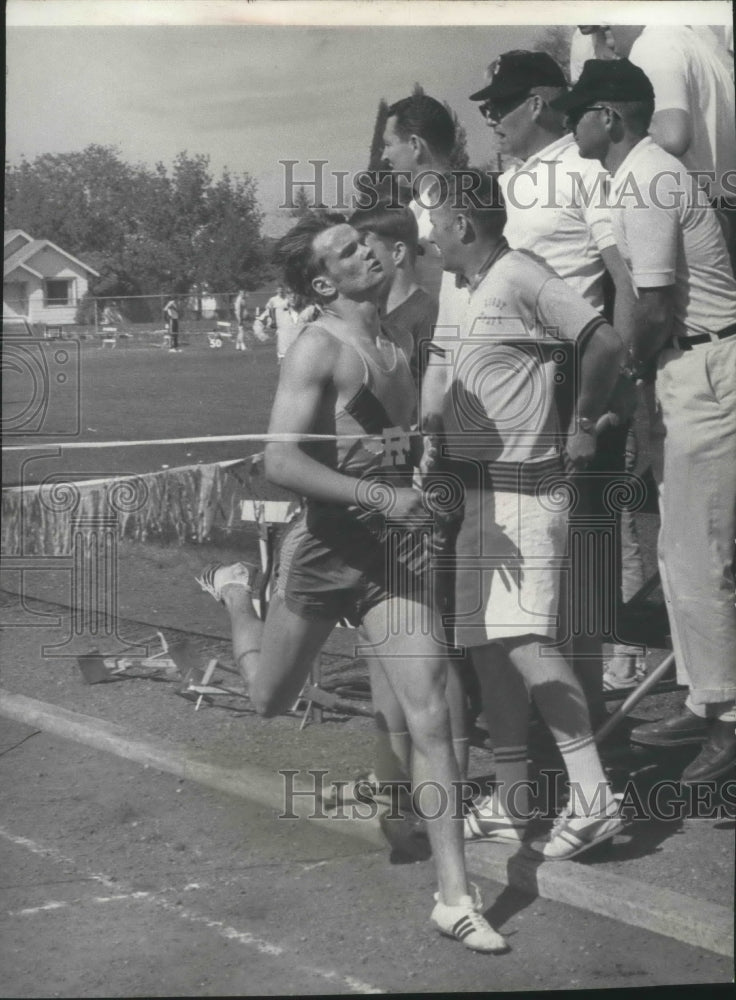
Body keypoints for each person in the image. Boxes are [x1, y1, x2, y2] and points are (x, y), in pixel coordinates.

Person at [196, 212, 507, 952]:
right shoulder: (316, 348)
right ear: (320, 282)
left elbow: (390, 441)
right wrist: (386, 496)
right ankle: (239, 595)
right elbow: (281, 463)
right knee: (267, 699)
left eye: (360, 240)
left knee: (430, 710)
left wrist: (423, 457)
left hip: (391, 559)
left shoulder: (395, 340)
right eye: (344, 250)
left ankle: (455, 895)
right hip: (324, 552)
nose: (364, 249)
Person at [425, 170, 627, 858]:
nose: (429, 235)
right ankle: (513, 804)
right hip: (480, 496)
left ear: (463, 226)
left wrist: (583, 424)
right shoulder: (475, 288)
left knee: (529, 645)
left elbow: (604, 342)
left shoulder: (519, 274)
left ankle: (594, 798)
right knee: (486, 649)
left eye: (435, 221)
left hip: (526, 495)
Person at [551, 58, 736, 783]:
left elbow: (654, 306)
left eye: (579, 114)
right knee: (677, 554)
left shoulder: (649, 175)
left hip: (705, 369)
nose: (571, 126)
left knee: (699, 553)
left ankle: (727, 715)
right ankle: (705, 698)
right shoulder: (634, 175)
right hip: (685, 368)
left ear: (609, 117)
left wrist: (623, 382)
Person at [468, 48, 644, 712]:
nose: (490, 120)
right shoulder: (514, 178)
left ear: (537, 103)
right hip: (513, 384)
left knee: (583, 563)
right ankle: (542, 726)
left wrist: (616, 388)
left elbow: (620, 278)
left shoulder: (580, 169)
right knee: (523, 557)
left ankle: (591, 724)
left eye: (495, 106)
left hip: (572, 372)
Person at [266, 283, 299, 361]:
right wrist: (271, 319)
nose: (280, 291)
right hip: (277, 321)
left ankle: (286, 356)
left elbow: (291, 308)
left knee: (285, 338)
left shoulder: (286, 299)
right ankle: (280, 356)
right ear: (276, 290)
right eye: (279, 290)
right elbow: (269, 308)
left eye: (282, 290)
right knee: (279, 338)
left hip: (285, 321)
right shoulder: (273, 299)